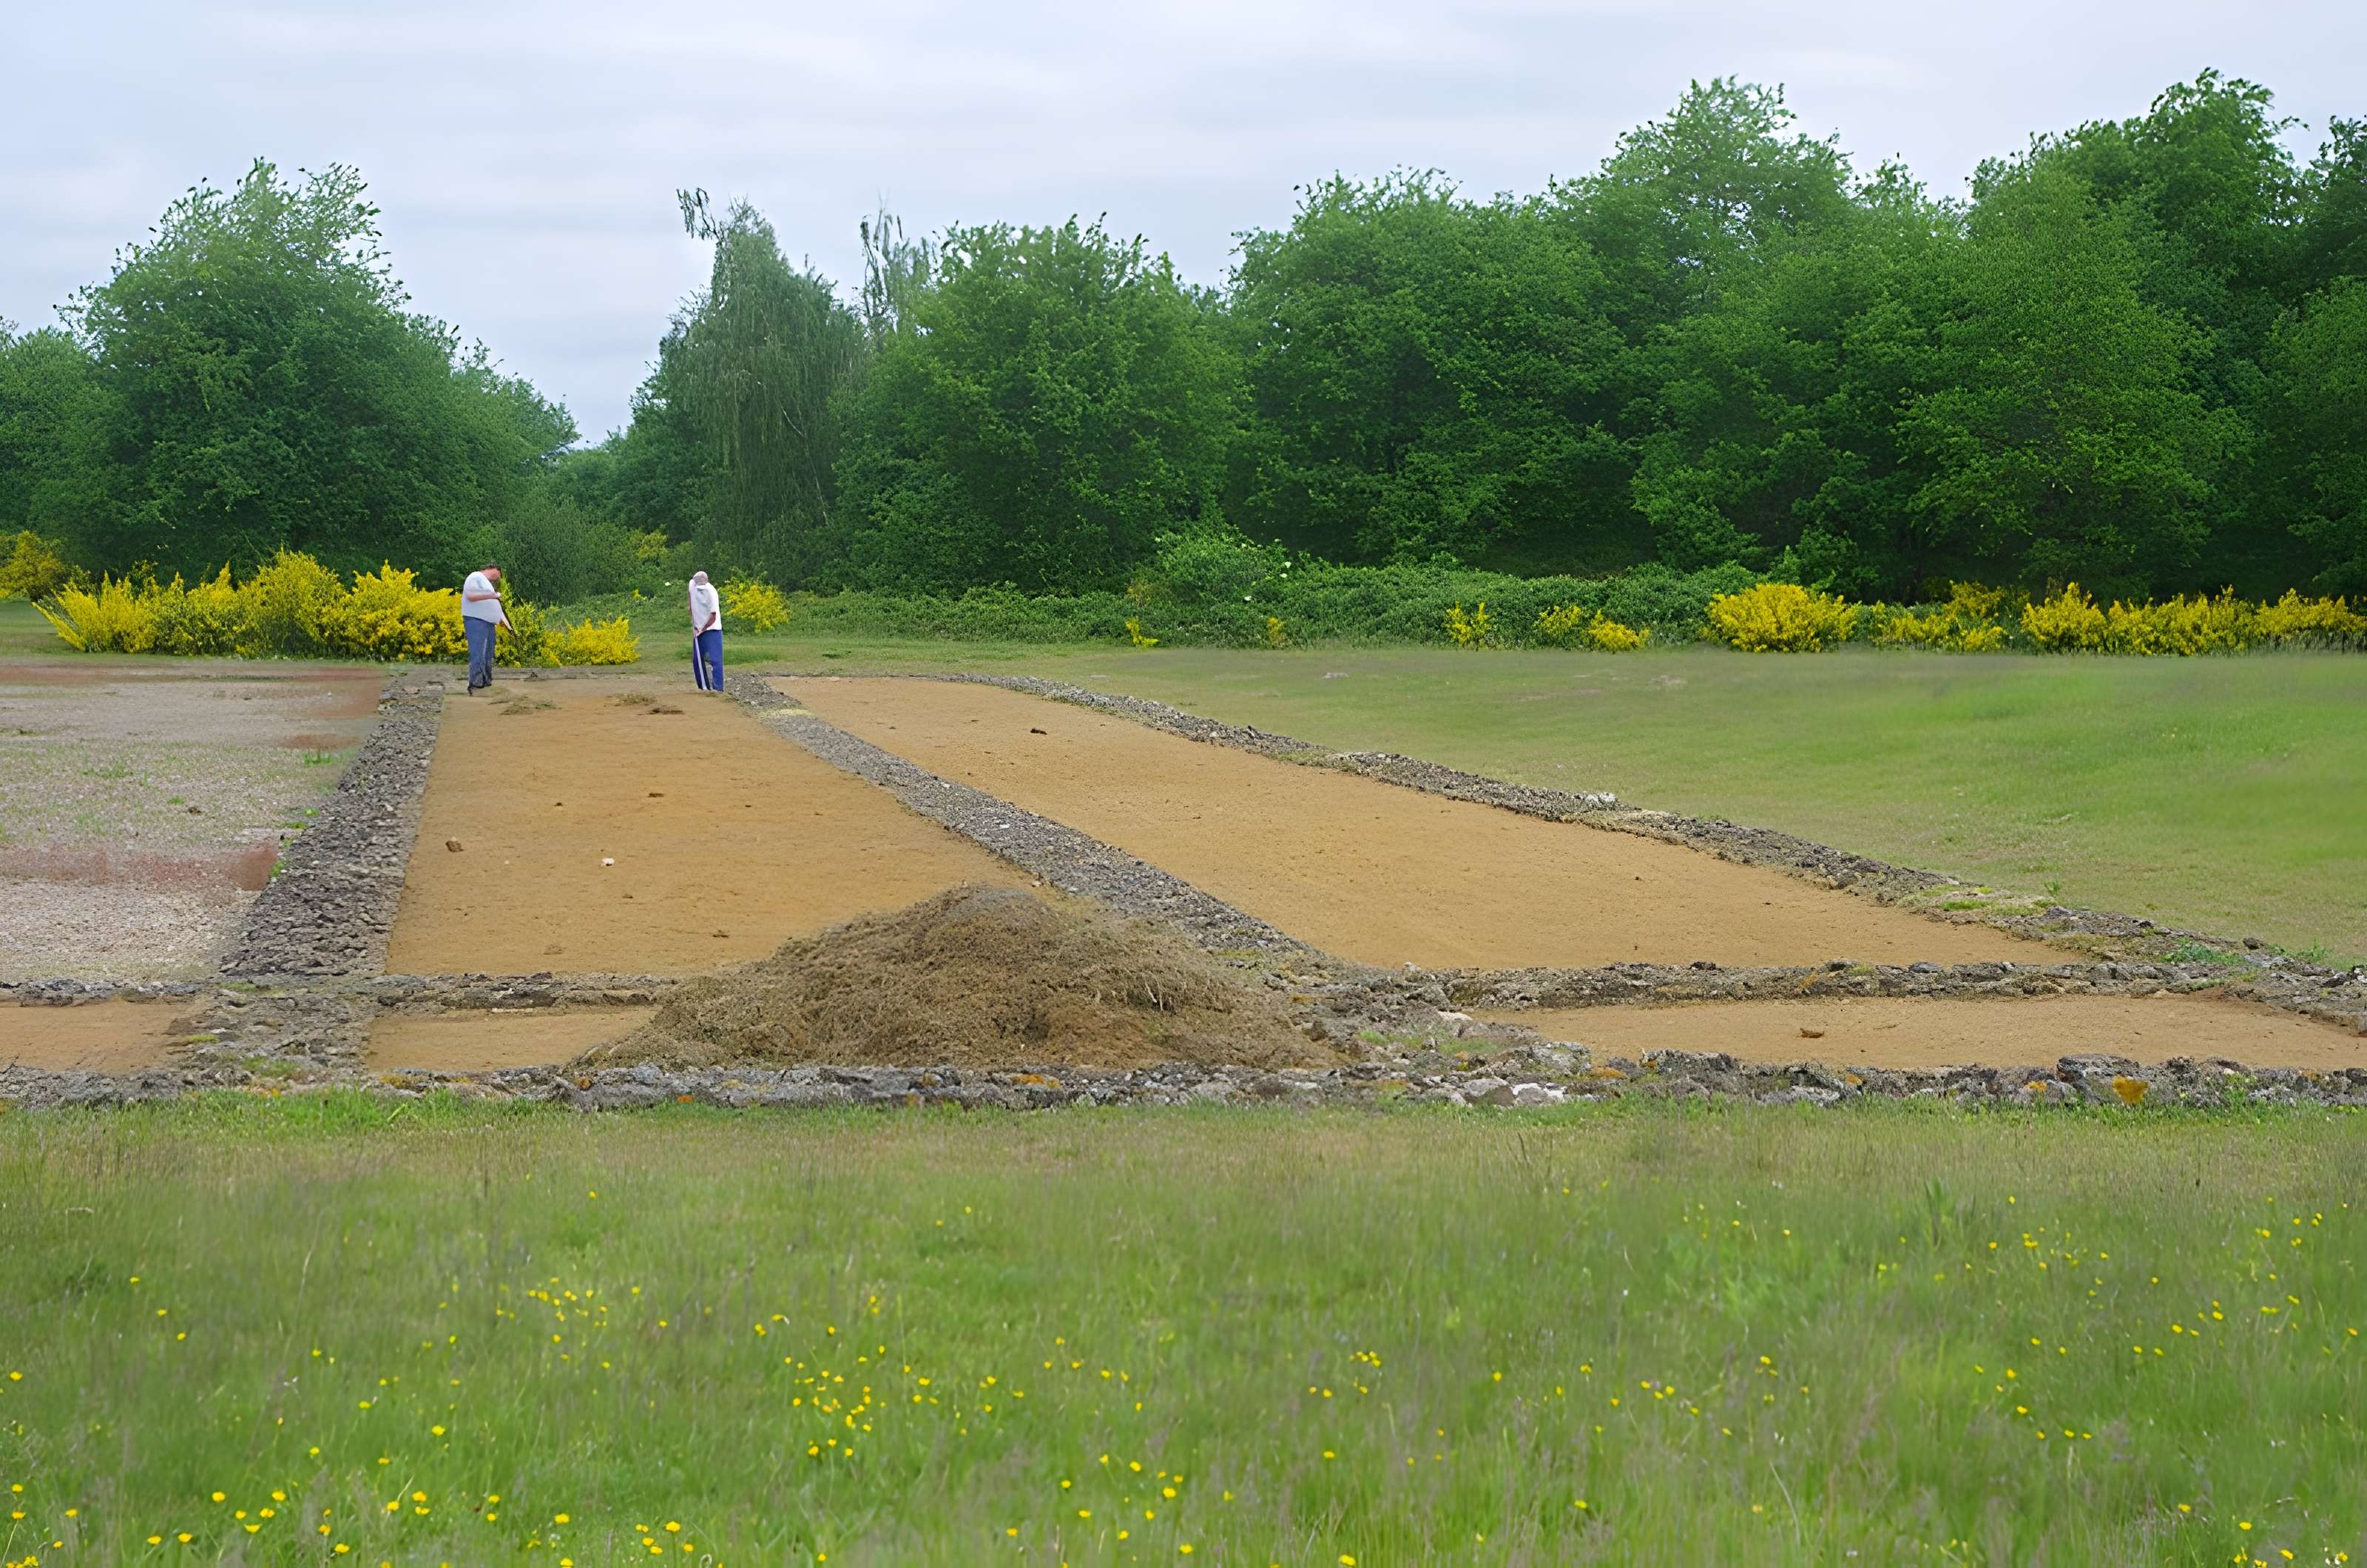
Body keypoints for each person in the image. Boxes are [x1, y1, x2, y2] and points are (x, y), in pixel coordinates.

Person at [460, 564, 510, 694]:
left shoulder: (486, 582)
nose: (499, 578)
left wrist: (504, 622)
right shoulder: (475, 576)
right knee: (478, 651)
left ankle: (485, 680)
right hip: (476, 621)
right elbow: (471, 596)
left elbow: (493, 605)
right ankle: (476, 683)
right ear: (495, 570)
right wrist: (493, 596)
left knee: (488, 652)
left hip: (488, 623)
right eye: (500, 575)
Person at [688, 570, 724, 692]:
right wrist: (693, 622)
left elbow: (713, 617)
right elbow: (690, 598)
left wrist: (702, 629)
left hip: (712, 628)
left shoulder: (711, 593)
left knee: (715, 659)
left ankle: (718, 688)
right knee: (697, 659)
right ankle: (704, 688)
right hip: (698, 627)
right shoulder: (692, 585)